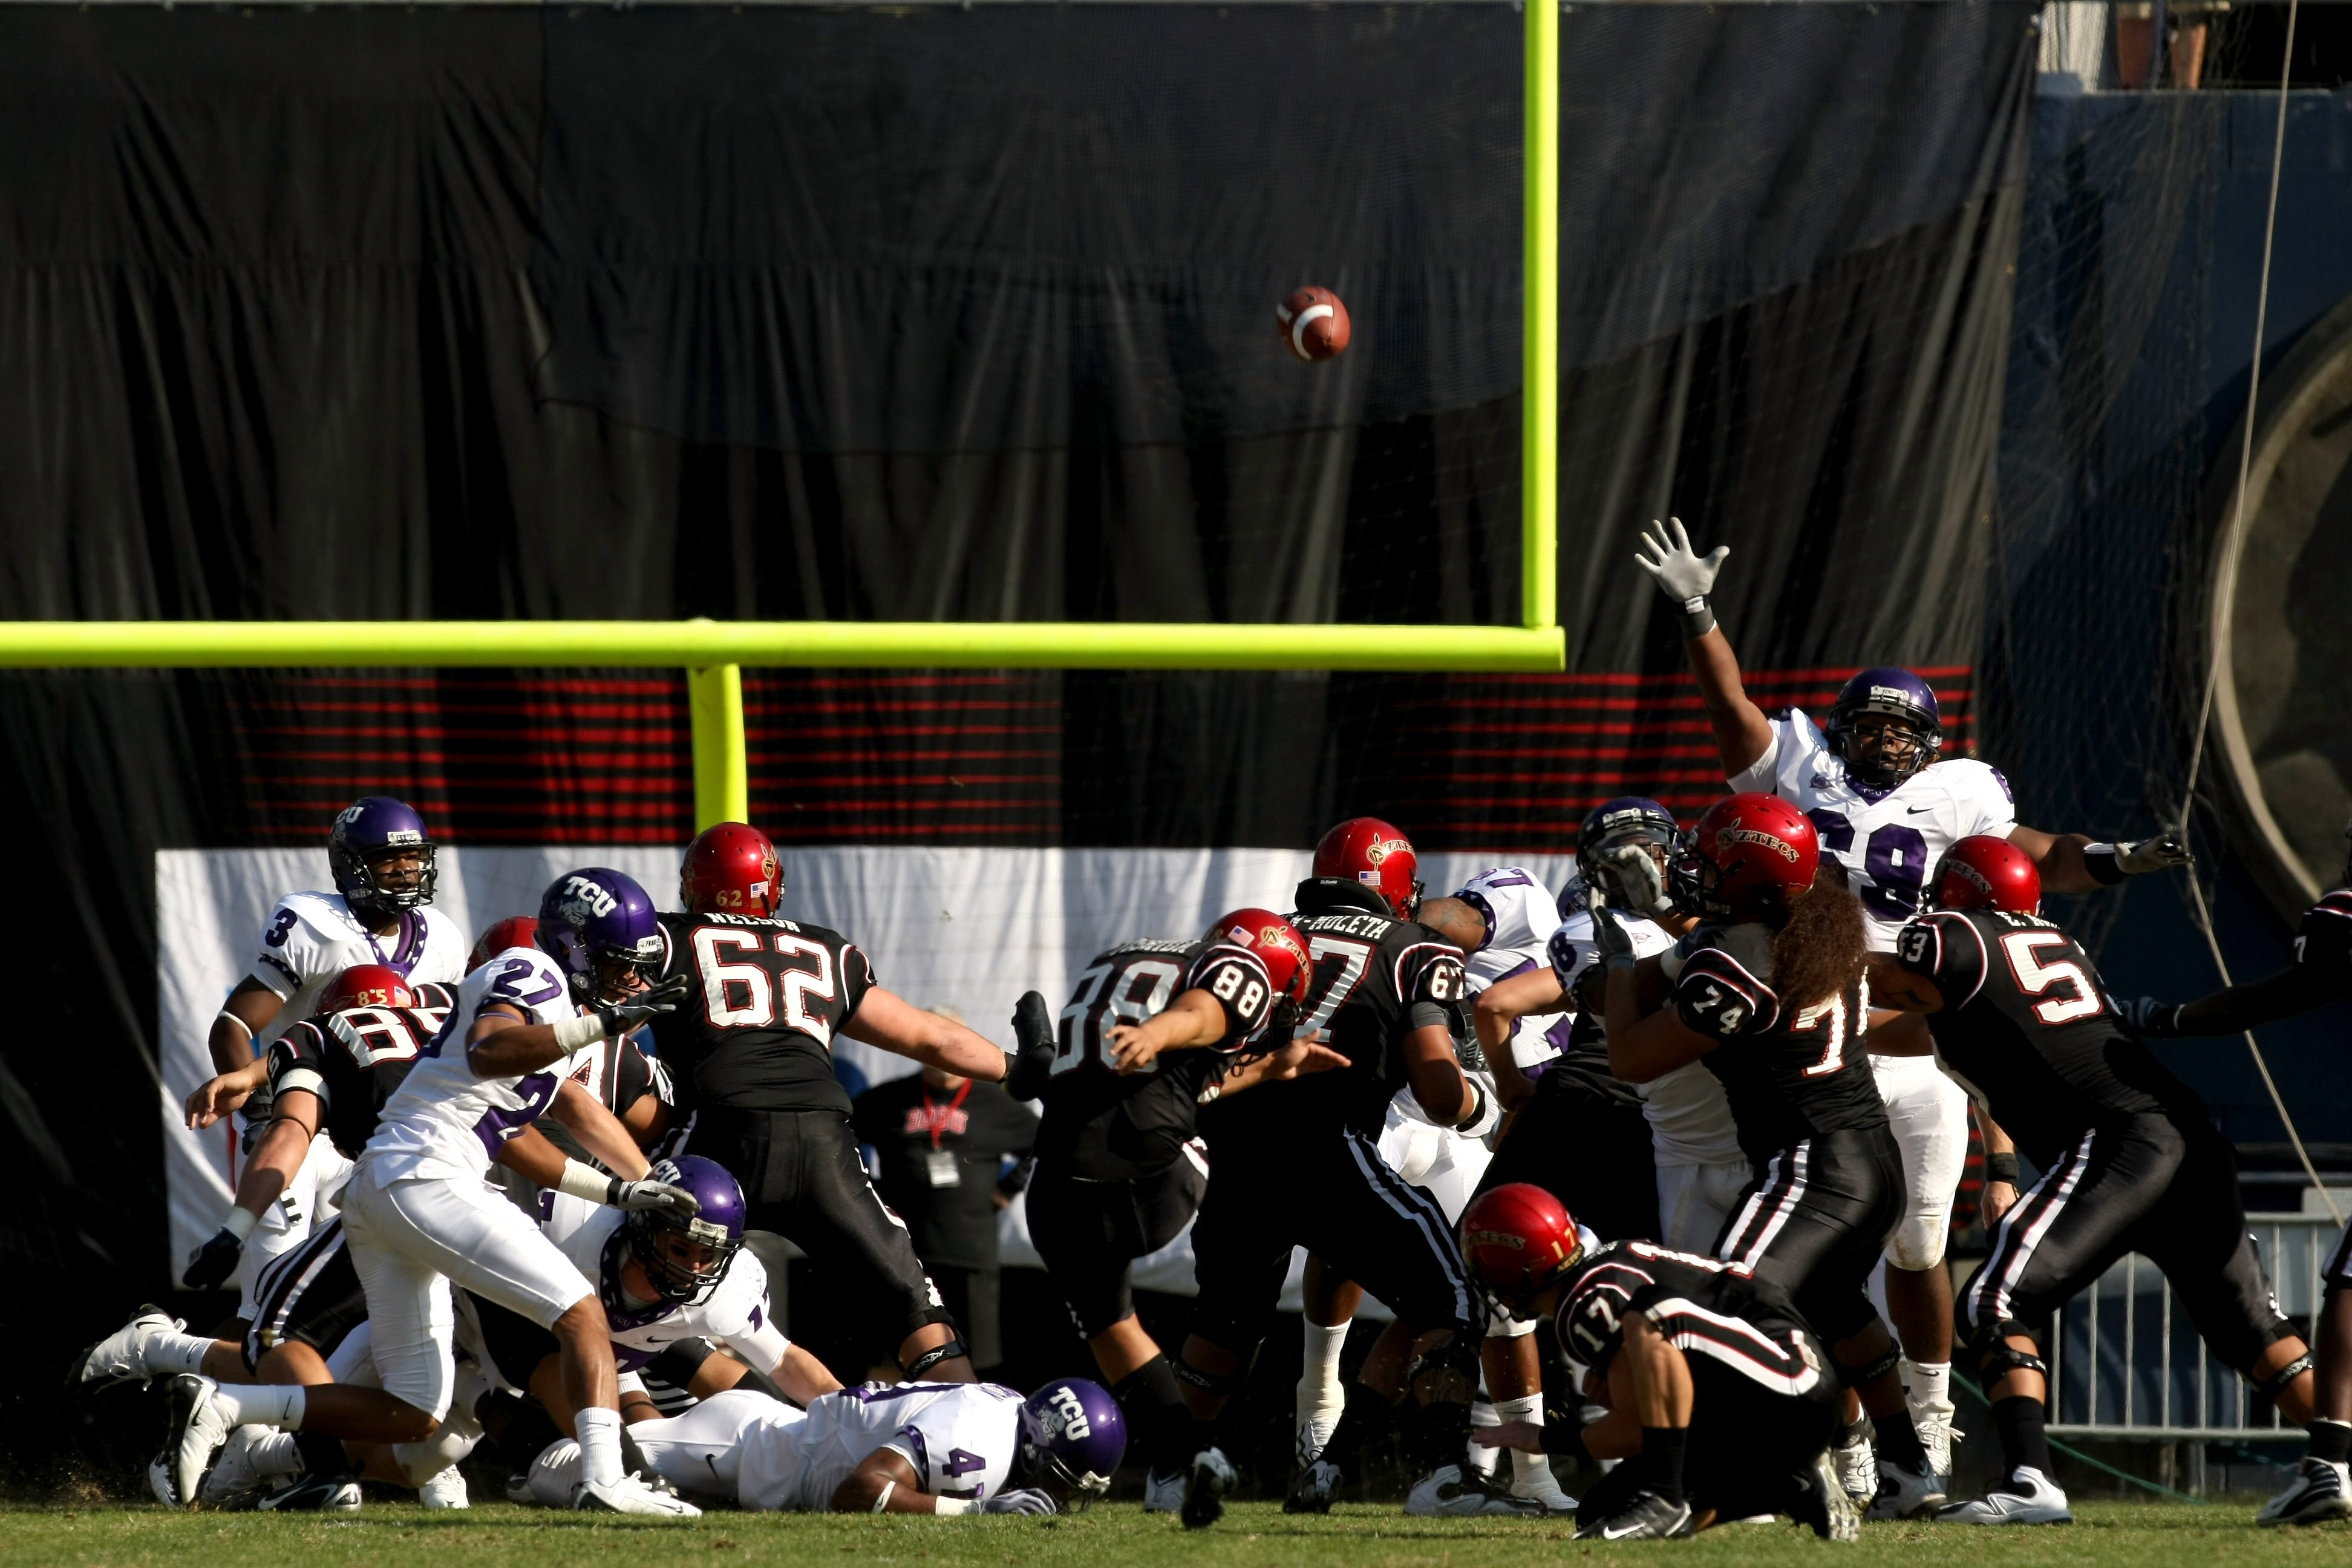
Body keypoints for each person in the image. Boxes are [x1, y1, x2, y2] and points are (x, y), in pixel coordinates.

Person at [1636, 518, 2195, 1488]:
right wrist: (1697, 613)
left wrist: (2112, 861)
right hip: (1808, 1035)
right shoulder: (1797, 762)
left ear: (1929, 742)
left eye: (1904, 728)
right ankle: (1847, 1435)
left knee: (1920, 1241)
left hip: (1910, 1039)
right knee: (1812, 1248)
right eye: (1872, 723)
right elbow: (1728, 704)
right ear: (1844, 727)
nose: (1886, 740)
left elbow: (2042, 858)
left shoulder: (1963, 791)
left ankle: (1929, 1423)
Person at [166, 867, 711, 1518]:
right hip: (427, 1175)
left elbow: (507, 1132)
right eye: (618, 964)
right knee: (581, 1314)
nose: (631, 980)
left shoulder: (552, 1004)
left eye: (636, 967)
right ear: (573, 947)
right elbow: (488, 1050)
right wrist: (596, 1027)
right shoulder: (533, 975)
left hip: (387, 1188)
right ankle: (607, 1478)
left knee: (415, 1413)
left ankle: (225, 1403)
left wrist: (618, 1191)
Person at [1870, 834, 2318, 1526]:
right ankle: (2338, 1466)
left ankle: (2030, 1485)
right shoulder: (2048, 950)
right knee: (2251, 1331)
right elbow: (1906, 1028)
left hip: (2122, 1141)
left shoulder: (1951, 935)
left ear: (1957, 891)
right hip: (2187, 1137)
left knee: (1993, 1302)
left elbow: (1868, 978)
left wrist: (1782, 953)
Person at [1597, 792, 1941, 1518]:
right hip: (1871, 1164)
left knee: (1728, 1307)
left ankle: (1761, 1471)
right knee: (1838, 1311)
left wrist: (1619, 962)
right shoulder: (1819, 921)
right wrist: (1670, 918)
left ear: (1749, 878)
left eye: (1712, 860)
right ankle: (1911, 1468)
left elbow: (1631, 1057)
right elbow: (1736, 943)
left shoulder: (1738, 957)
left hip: (1812, 1168)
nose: (1695, 867)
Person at [1181, 817, 1529, 1524]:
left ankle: (1174, 1466)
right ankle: (1440, 1475)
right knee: (1451, 1297)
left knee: (1225, 1321)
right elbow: (1436, 1090)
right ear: (1399, 888)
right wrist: (1479, 1109)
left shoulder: (1261, 931)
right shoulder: (1412, 947)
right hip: (1322, 1144)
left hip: (1235, 1147)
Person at [646, 822, 1025, 1385]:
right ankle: (980, 1446)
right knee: (912, 1305)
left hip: (721, 1136)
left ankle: (635, 1441)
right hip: (823, 1144)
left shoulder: (667, 940)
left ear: (693, 886)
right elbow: (932, 1037)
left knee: (636, 1287)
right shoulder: (824, 949)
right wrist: (1018, 1070)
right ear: (770, 887)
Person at [1014, 907, 1318, 1508]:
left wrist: (1266, 1068)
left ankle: (1185, 1458)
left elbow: (1181, 1074)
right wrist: (1160, 1034)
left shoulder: (1124, 958)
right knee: (1208, 1138)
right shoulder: (1242, 968)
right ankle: (1190, 1454)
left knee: (1112, 1327)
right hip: (1152, 1178)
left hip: (1056, 1187)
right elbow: (1202, 1011)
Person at [181, 797, 470, 1330]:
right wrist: (260, 1110)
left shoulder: (445, 939)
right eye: (388, 859)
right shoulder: (317, 924)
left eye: (414, 858)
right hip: (301, 1125)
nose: (406, 870)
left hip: (375, 1132)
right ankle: (233, 1403)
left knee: (356, 1310)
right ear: (350, 866)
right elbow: (235, 1024)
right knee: (267, 1304)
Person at [1458, 1183, 1856, 1541]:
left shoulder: (1589, 1303)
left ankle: (1664, 1498)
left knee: (1655, 1313)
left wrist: (1546, 1438)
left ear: (1514, 1272)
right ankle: (1792, 1487)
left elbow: (1633, 1434)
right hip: (1769, 1391)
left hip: (1790, 1385)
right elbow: (1652, 1420)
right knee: (1604, 1509)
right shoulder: (1605, 1271)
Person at [468, 1157, 841, 1443]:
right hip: (525, 1321)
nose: (693, 1267)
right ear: (644, 1226)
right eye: (680, 1249)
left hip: (631, 1340)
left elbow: (784, 1359)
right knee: (451, 1443)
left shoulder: (726, 1287)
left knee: (773, 1426)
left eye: (707, 1255)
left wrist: (852, 1416)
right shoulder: (572, 1228)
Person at [524, 1377, 1127, 1516]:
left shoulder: (1006, 1417)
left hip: (778, 1459)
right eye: (1064, 1481)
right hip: (750, 1447)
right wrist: (972, 1510)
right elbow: (859, 1492)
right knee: (560, 1469)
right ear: (1040, 1453)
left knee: (658, 1495)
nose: (1061, 1497)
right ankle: (497, 1419)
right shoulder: (980, 1436)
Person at [852, 1021, 1039, 1378]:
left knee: (977, 1358)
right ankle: (878, 1425)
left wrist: (1010, 1188)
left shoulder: (994, 1102)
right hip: (900, 1252)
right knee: (891, 1354)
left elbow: (1045, 1141)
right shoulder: (889, 1098)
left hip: (969, 1252)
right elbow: (841, 1135)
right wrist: (867, 1189)